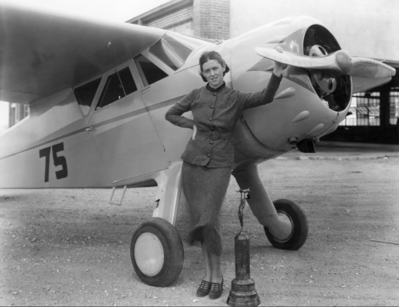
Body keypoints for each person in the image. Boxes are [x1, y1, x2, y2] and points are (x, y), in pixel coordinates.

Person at [165, 50, 286, 299]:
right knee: (200, 220)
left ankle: (217, 274)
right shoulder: (196, 95)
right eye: (207, 70)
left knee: (210, 219)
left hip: (220, 163)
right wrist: (192, 125)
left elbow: (265, 97)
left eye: (215, 68)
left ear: (223, 68)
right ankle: (207, 276)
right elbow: (171, 114)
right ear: (202, 73)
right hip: (193, 162)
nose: (212, 74)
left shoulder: (235, 98)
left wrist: (276, 73)